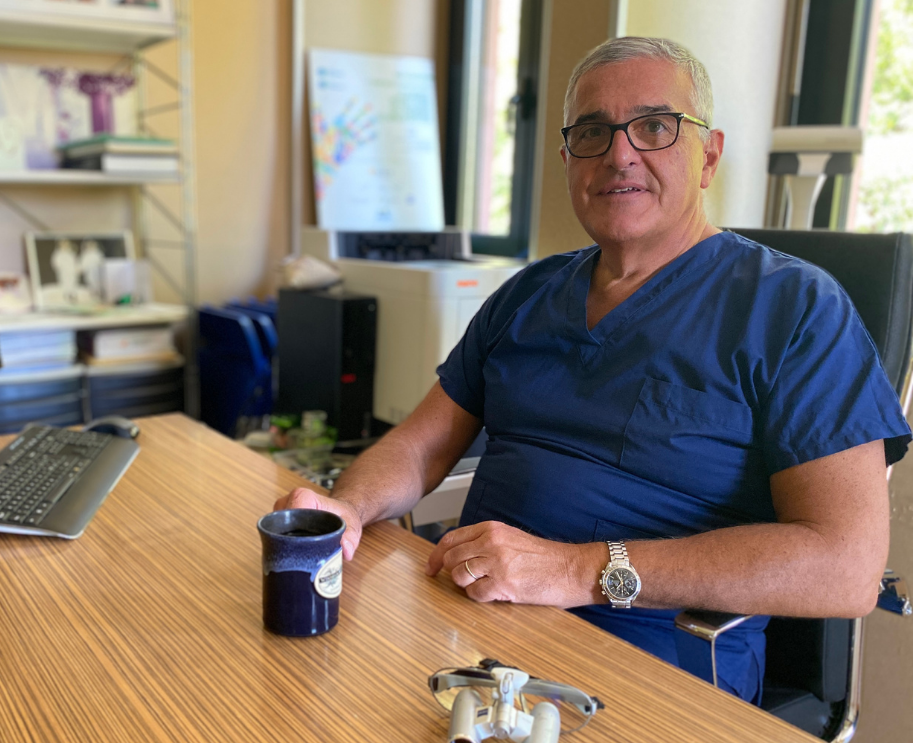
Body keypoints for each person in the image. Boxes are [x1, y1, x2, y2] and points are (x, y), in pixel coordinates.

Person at [273, 36, 912, 703]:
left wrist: (580, 570)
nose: (619, 153)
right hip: (468, 632)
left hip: (656, 675)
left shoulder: (794, 309)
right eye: (592, 132)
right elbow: (419, 446)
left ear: (708, 156)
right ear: (567, 159)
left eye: (655, 126)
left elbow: (845, 567)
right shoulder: (527, 295)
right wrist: (347, 509)